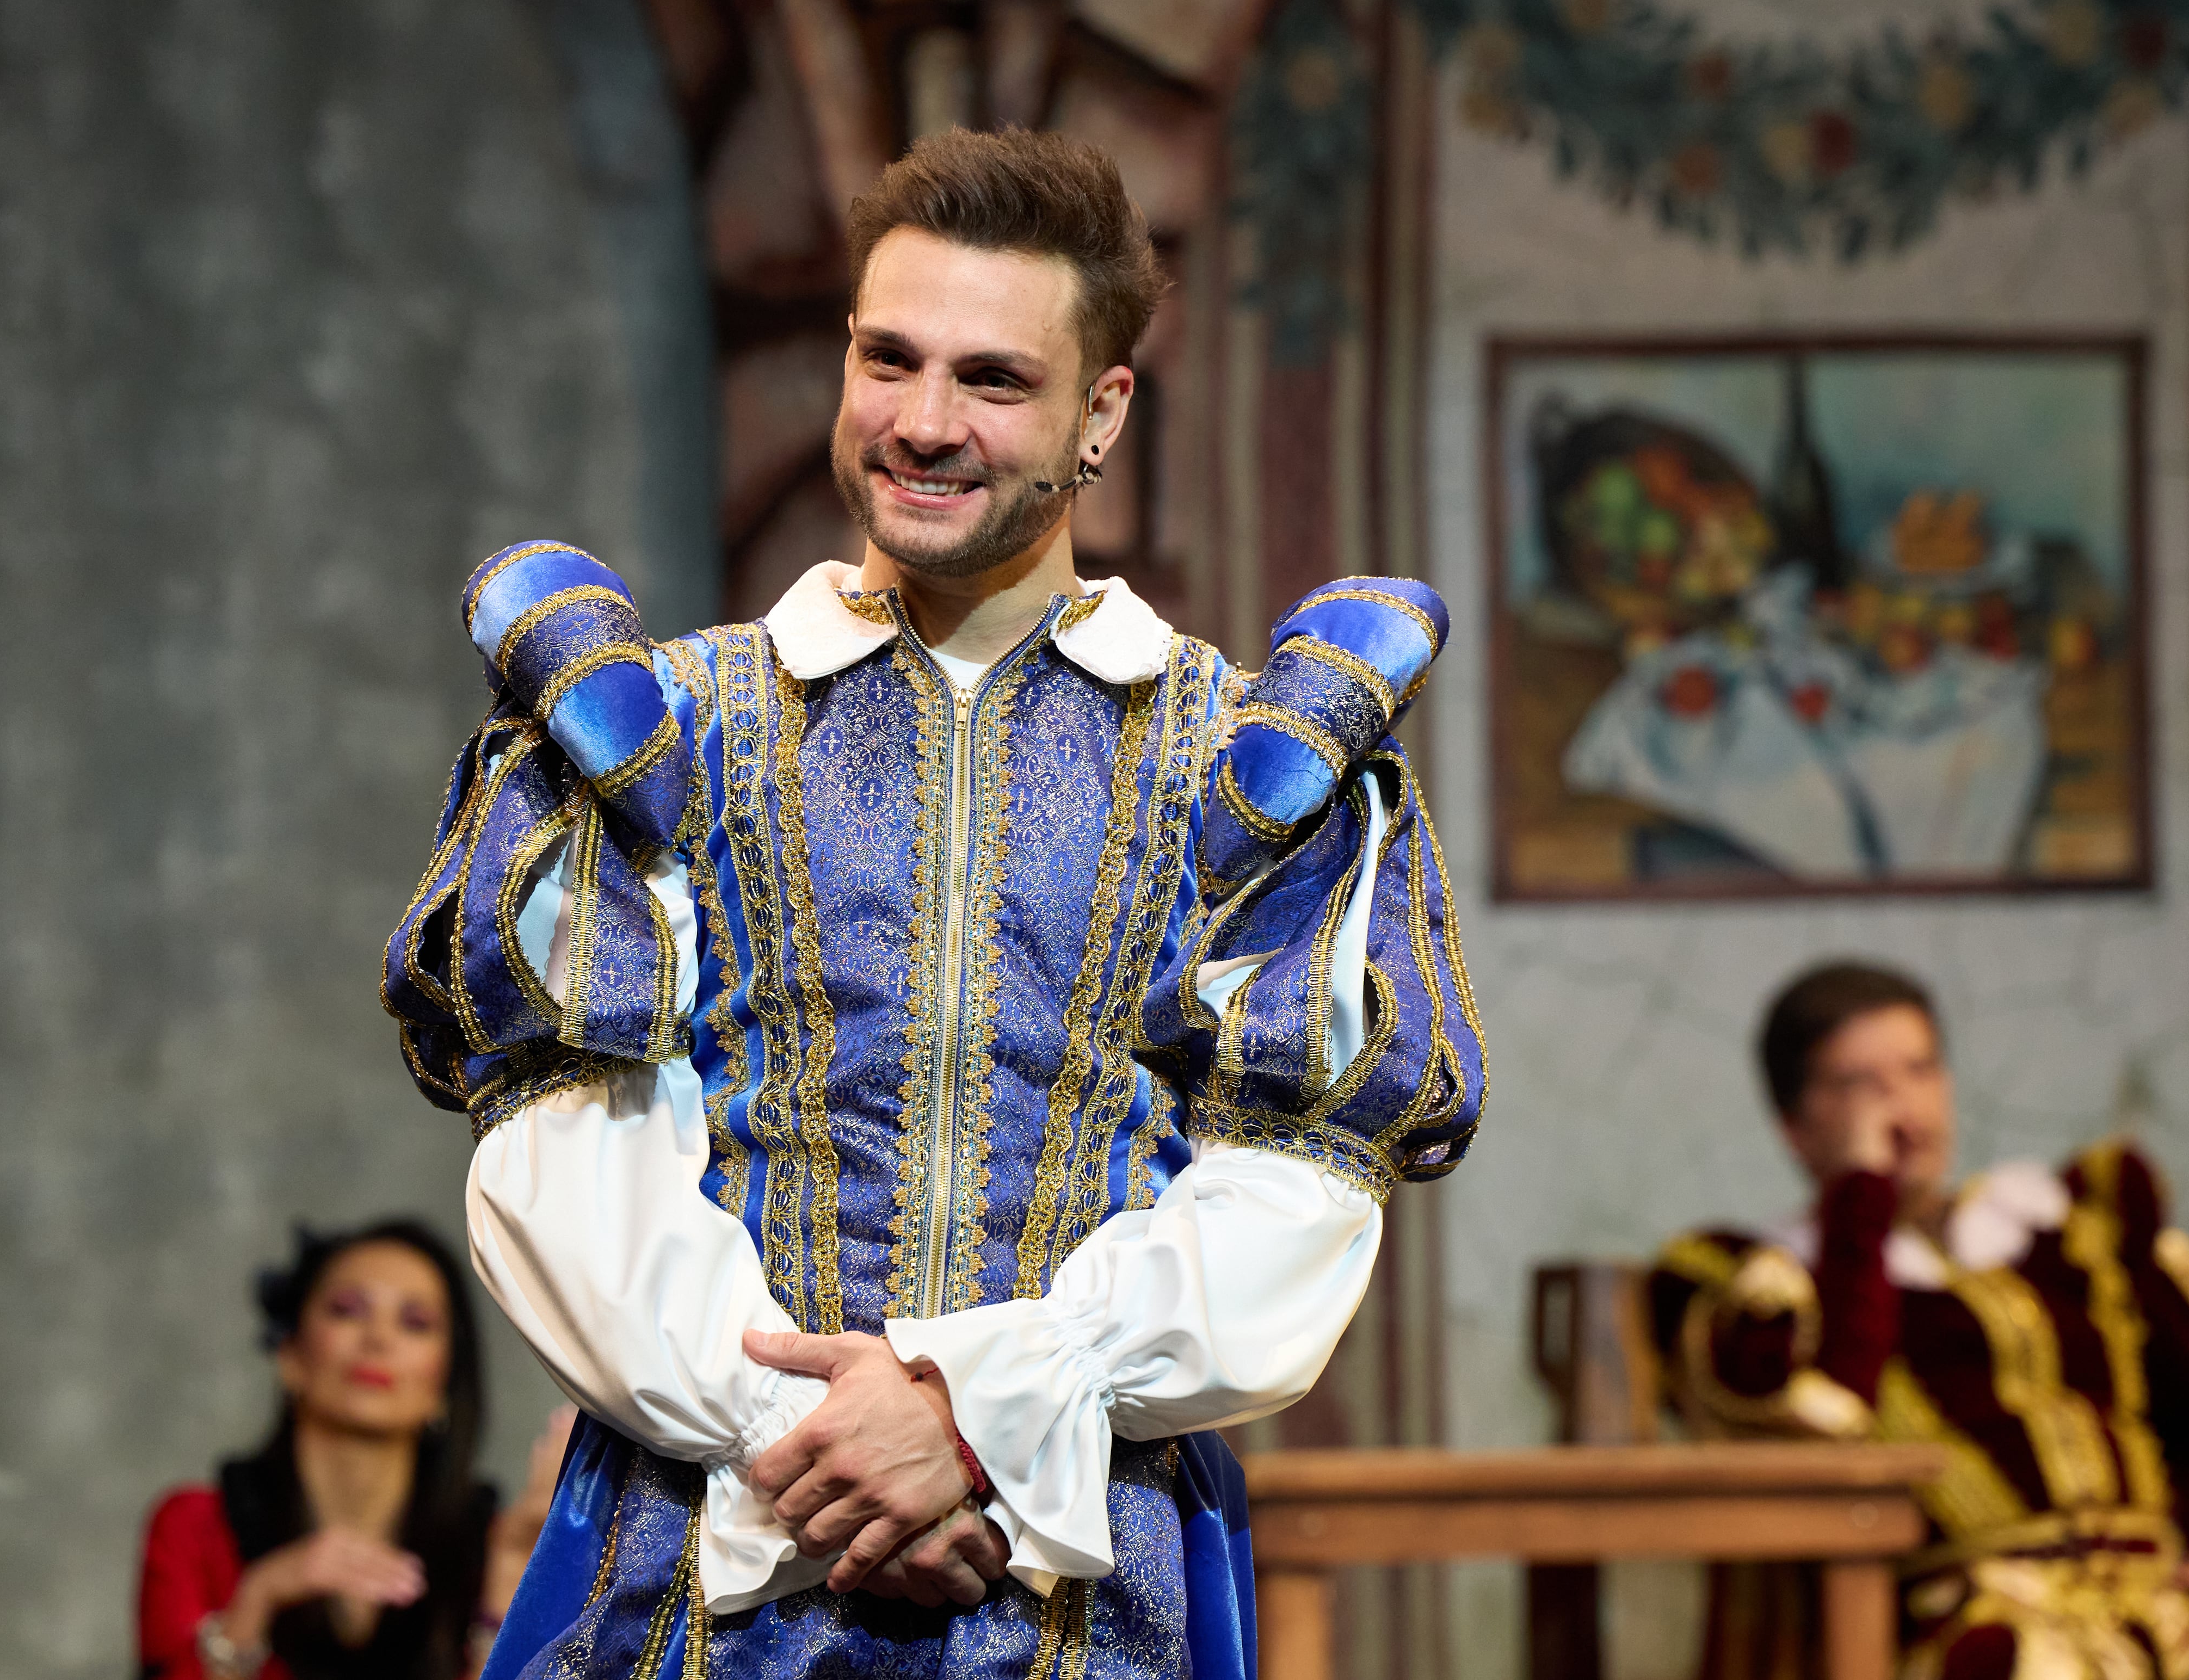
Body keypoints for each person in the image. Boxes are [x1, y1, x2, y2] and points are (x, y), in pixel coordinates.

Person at [380, 126, 1488, 1679]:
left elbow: (1289, 1204)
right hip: (707, 1560)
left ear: (1103, 412)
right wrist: (820, 1445)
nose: (921, 422)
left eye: (992, 379)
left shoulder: (1243, 763)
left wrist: (977, 1416)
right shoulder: (663, 728)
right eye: (886, 359)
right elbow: (567, 1168)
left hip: (1082, 1578)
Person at [1650, 961, 2189, 1680]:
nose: (1901, 1104)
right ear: (1795, 1128)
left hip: (2167, 1597)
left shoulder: (2072, 1233)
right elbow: (1828, 1421)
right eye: (1860, 1083)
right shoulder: (1766, 1286)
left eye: (1919, 1069)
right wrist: (1859, 1203)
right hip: (1967, 1625)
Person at [137, 1218, 570, 1680]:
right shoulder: (194, 1526)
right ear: (290, 1353)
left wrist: (508, 1572)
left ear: (446, 1382)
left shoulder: (493, 1546)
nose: (378, 1338)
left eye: (415, 1323)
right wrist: (258, 1598)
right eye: (347, 1310)